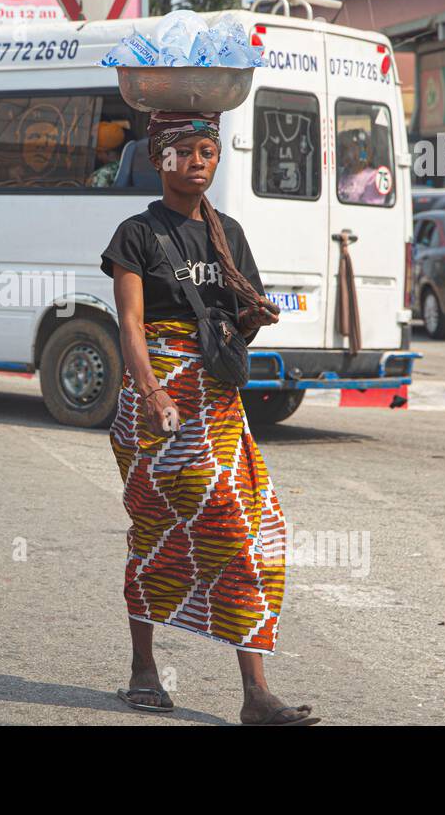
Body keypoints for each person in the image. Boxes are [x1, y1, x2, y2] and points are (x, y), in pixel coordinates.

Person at [99, 110, 320, 725]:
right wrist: (151, 391)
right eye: (185, 151)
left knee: (258, 530)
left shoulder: (229, 234)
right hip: (158, 400)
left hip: (218, 400)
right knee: (169, 526)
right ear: (158, 158)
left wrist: (253, 314)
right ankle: (148, 670)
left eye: (208, 151)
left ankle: (253, 693)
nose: (198, 161)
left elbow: (237, 311)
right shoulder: (136, 235)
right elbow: (132, 323)